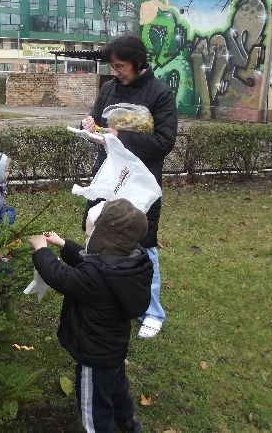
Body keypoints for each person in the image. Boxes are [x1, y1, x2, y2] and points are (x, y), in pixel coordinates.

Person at [81, 33, 177, 339]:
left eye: (121, 66)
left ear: (138, 64)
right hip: (108, 177)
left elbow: (164, 141)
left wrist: (120, 137)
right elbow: (99, 122)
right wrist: (90, 126)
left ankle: (152, 311)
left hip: (139, 182)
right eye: (113, 65)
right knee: (99, 233)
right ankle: (110, 297)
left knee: (143, 242)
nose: (116, 71)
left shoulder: (159, 93)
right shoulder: (109, 88)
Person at [29, 199, 153, 433]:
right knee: (116, 385)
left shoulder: (93, 277)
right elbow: (89, 260)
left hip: (93, 354)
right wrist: (63, 244)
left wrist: (41, 249)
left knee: (93, 403)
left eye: (91, 235)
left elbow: (58, 276)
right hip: (115, 347)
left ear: (104, 240)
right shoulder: (134, 261)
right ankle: (127, 420)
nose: (88, 240)